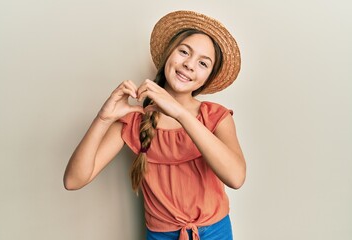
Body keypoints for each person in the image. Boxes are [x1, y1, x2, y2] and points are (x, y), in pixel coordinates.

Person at [63, 10, 246, 240]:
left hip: (216, 232)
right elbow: (73, 180)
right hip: (161, 235)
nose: (189, 64)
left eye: (203, 63)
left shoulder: (215, 116)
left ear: (208, 77)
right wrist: (103, 119)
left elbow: (236, 177)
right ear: (169, 54)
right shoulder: (135, 119)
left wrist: (180, 113)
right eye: (183, 51)